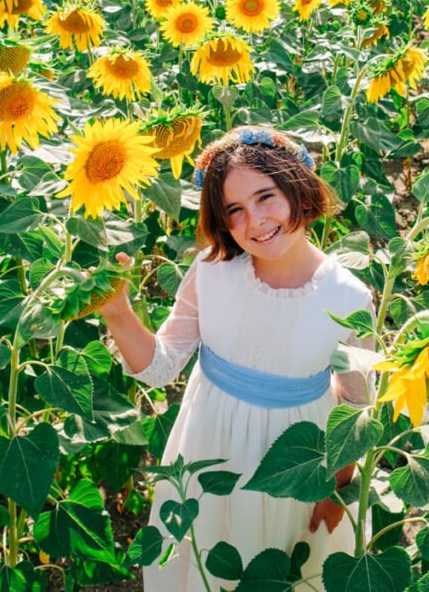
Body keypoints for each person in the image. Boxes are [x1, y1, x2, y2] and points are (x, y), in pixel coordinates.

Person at [96, 125, 377, 591]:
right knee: (204, 560)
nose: (256, 221)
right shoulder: (213, 271)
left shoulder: (347, 296)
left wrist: (337, 488)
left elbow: (357, 406)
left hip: (294, 464)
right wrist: (119, 314)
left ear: (298, 188)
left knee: (275, 567)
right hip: (208, 450)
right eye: (235, 211)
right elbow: (161, 367)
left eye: (266, 197)